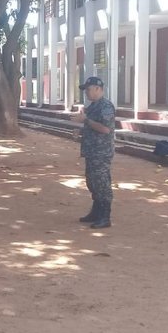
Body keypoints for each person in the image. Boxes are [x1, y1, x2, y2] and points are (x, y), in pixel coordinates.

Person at [70, 76, 115, 229]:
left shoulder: (106, 106)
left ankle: (105, 216)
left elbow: (105, 129)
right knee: (92, 182)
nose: (86, 93)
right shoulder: (93, 106)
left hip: (101, 152)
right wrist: (80, 130)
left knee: (102, 183)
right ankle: (96, 212)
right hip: (91, 151)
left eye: (88, 89)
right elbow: (90, 125)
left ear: (98, 88)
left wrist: (85, 120)